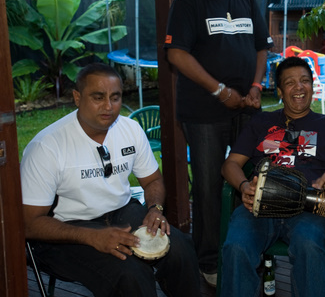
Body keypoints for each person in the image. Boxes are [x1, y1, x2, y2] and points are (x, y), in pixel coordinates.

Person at [21, 63, 202, 297]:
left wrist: (155, 209)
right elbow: (29, 224)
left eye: (115, 98)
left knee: (181, 250)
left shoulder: (131, 130)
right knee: (130, 274)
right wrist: (92, 236)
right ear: (77, 97)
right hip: (67, 228)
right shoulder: (47, 146)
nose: (108, 106)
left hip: (122, 211)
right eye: (98, 97)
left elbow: (152, 181)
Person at [164, 0, 273, 286]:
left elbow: (261, 47)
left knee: (253, 180)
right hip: (204, 113)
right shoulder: (188, 0)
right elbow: (176, 53)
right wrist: (219, 90)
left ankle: (246, 250)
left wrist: (255, 86)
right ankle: (208, 261)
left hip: (246, 109)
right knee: (209, 187)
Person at [220, 57, 325, 297]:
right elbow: (230, 165)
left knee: (309, 247)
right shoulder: (261, 122)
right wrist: (244, 185)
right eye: (290, 83)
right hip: (259, 207)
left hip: (308, 209)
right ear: (279, 91)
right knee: (236, 247)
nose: (299, 87)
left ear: (312, 87)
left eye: (305, 81)